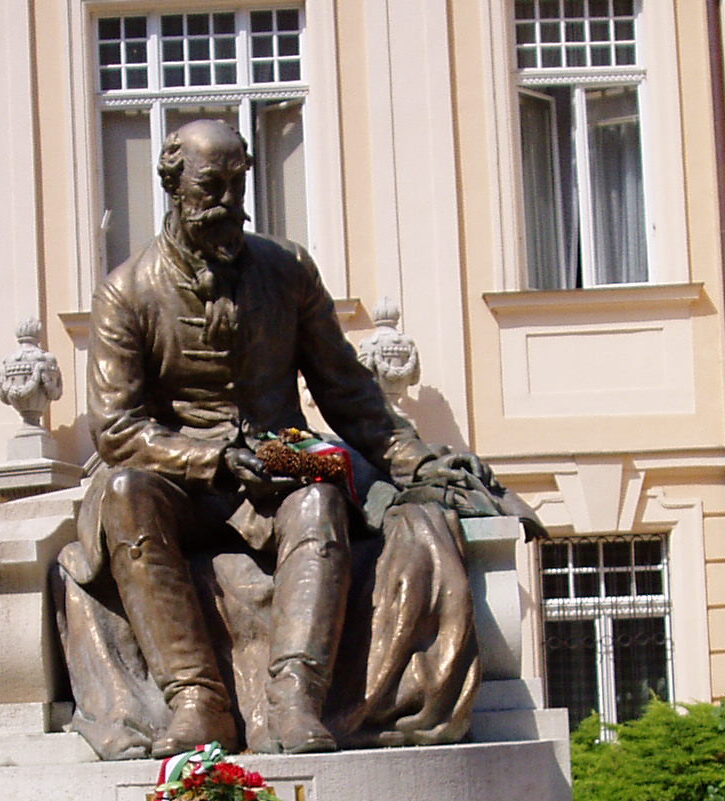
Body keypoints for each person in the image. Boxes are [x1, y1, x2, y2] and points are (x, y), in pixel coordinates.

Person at [72, 118, 479, 757]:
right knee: (123, 493)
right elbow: (118, 429)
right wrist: (213, 457)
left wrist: (414, 460)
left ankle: (295, 699)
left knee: (321, 493)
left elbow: (346, 387)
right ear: (173, 187)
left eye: (238, 186)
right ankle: (197, 700)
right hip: (178, 473)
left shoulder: (287, 269)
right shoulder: (127, 291)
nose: (228, 203)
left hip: (280, 450)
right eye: (211, 188)